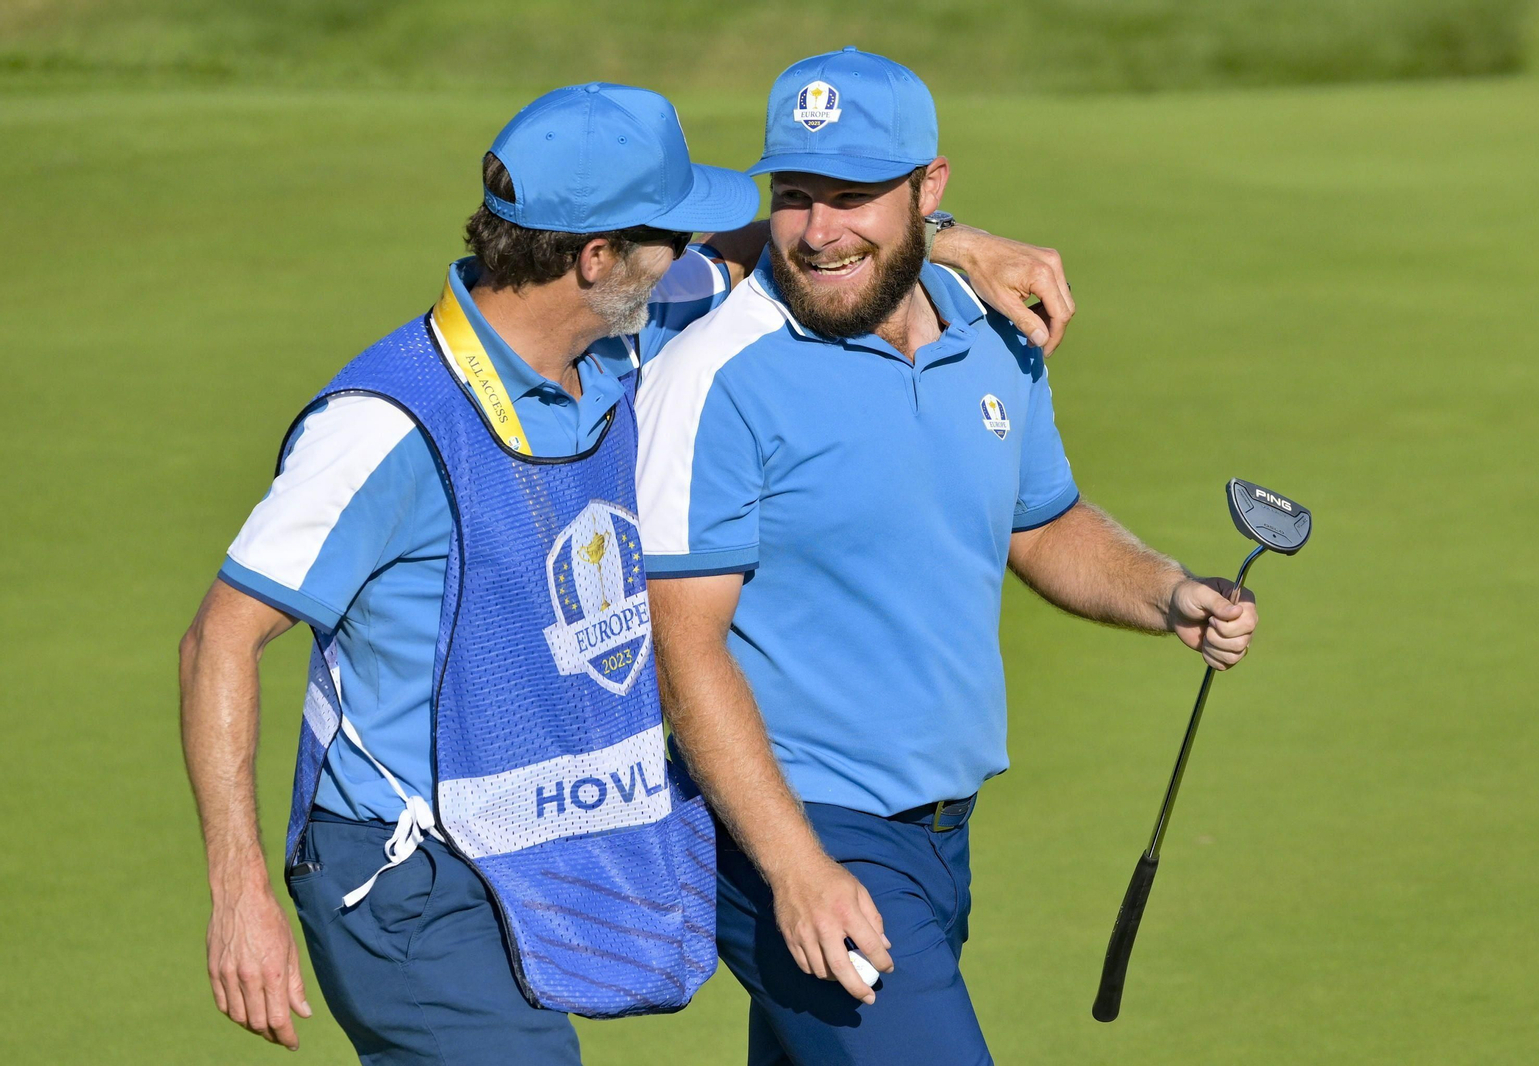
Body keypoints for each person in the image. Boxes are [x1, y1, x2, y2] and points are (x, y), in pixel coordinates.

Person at [178, 79, 1078, 1063]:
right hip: (407, 872)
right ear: (598, 256)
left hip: (526, 835)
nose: (696, 256)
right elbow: (219, 637)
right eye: (670, 235)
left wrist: (947, 236)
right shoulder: (384, 425)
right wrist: (240, 893)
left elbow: (786, 236)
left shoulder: (624, 328)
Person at [637, 48, 1259, 1066]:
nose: (818, 231)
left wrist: (1166, 591)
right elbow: (682, 643)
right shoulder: (719, 371)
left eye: (852, 196)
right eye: (794, 196)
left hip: (938, 831)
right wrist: (795, 866)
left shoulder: (990, 331)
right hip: (798, 827)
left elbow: (1040, 520)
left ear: (929, 191)